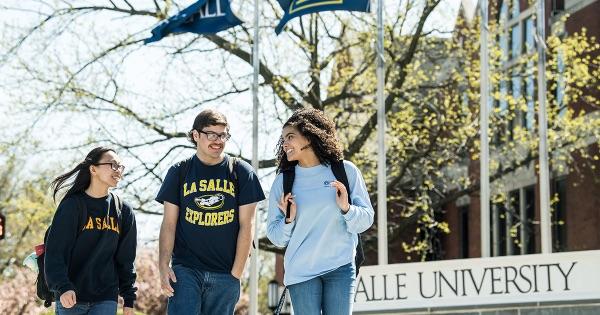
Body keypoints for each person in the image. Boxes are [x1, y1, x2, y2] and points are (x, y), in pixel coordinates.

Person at [156, 109, 265, 314]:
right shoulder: (179, 172)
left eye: (223, 135)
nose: (218, 140)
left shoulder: (242, 172)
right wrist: (163, 266)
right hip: (186, 271)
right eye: (211, 134)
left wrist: (236, 273)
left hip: (225, 274)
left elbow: (247, 225)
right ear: (196, 135)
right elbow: (169, 224)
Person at [267, 108, 374, 314]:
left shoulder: (346, 171)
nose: (285, 144)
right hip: (301, 273)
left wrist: (347, 208)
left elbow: (366, 219)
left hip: (340, 267)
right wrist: (289, 220)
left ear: (309, 135)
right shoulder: (283, 181)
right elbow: (276, 237)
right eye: (283, 139)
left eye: (290, 137)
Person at [45, 146, 137, 315]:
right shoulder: (72, 206)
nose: (118, 170)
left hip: (106, 297)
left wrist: (129, 298)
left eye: (120, 166)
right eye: (112, 165)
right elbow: (55, 252)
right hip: (70, 296)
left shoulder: (123, 211)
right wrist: (63, 286)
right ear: (93, 169)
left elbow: (126, 260)